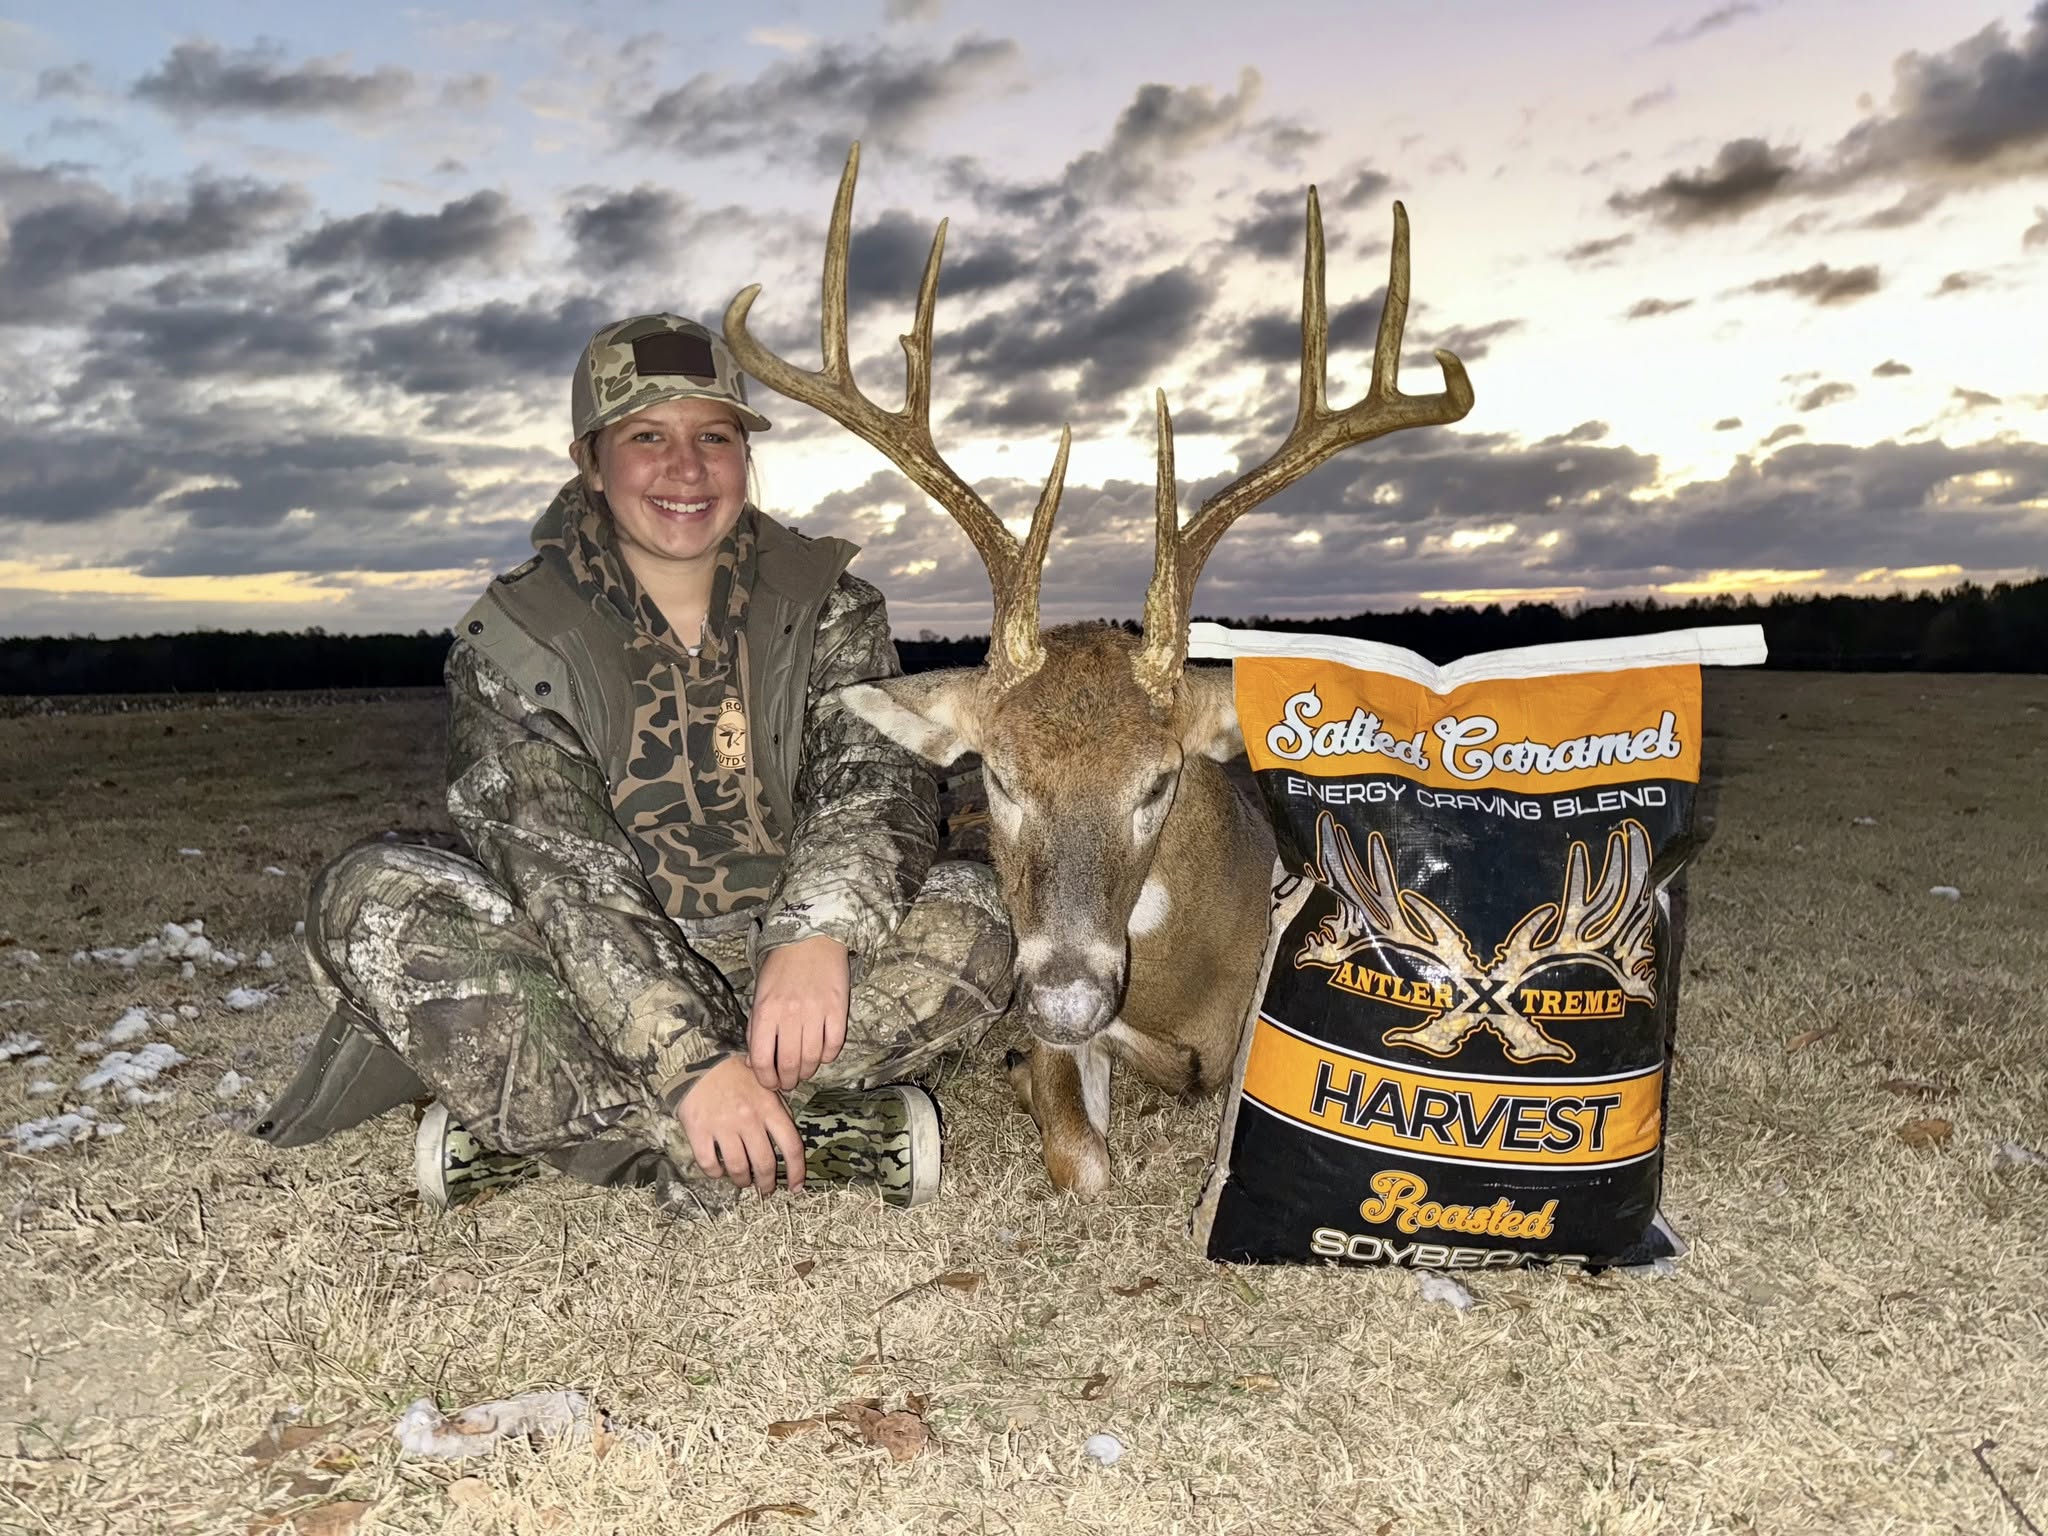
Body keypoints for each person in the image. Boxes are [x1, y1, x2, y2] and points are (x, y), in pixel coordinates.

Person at [253, 314, 1015, 1213]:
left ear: (744, 456)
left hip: (781, 969)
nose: (686, 469)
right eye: (647, 437)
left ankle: (558, 1129)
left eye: (714, 438)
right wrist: (692, 1065)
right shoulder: (515, 639)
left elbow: (874, 785)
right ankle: (769, 1131)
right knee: (369, 899)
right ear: (590, 460)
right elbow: (560, 874)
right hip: (590, 970)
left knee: (987, 910)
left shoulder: (831, 609)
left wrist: (819, 934)